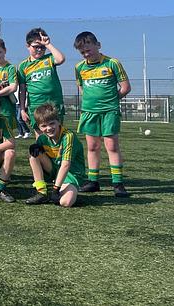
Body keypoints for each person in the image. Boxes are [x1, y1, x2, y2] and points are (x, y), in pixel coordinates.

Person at [74, 31, 131, 197]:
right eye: (82, 52)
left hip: (109, 112)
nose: (86, 54)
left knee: (112, 146)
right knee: (92, 147)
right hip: (89, 112)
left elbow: (126, 87)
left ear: (98, 45)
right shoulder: (79, 67)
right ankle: (93, 181)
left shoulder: (112, 63)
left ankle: (118, 183)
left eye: (88, 50)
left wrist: (111, 101)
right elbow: (81, 87)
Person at [24, 102, 86, 207]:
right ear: (39, 127)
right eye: (44, 126)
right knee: (33, 155)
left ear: (59, 121)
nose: (48, 128)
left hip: (70, 174)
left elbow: (66, 165)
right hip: (54, 170)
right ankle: (42, 192)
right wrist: (34, 146)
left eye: (52, 123)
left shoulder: (68, 136)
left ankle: (63, 189)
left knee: (66, 202)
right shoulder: (42, 138)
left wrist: (56, 189)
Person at [17, 28, 65, 135]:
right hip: (36, 104)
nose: (39, 49)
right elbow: (22, 90)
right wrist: (22, 110)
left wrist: (48, 44)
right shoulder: (23, 66)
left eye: (42, 47)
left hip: (54, 103)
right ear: (28, 46)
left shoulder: (49, 58)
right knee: (40, 136)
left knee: (57, 134)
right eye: (36, 46)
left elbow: (61, 59)